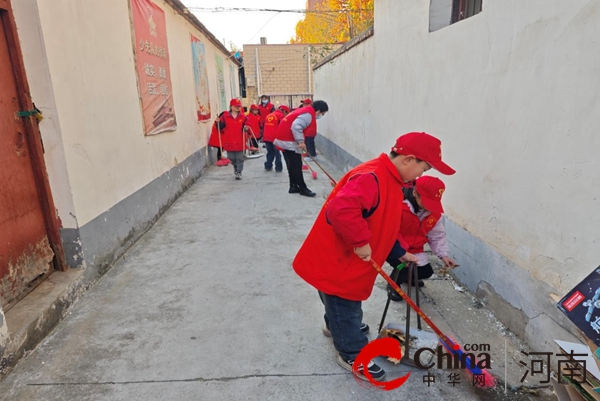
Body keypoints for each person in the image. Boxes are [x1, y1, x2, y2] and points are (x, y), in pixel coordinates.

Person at [292, 132, 456, 381]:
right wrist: (359, 241)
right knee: (346, 303)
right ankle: (350, 351)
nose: (422, 175)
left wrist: (401, 254)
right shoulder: (373, 177)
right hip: (341, 259)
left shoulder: (393, 181)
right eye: (423, 168)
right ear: (408, 160)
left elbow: (383, 224)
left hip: (343, 260)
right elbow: (341, 209)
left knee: (335, 300)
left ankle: (335, 327)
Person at [387, 176, 458, 301]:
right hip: (393, 247)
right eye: (427, 201)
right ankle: (393, 284)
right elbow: (391, 232)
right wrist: (402, 252)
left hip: (415, 249)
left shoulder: (433, 214)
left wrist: (443, 255)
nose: (429, 207)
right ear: (415, 193)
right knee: (406, 267)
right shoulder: (399, 206)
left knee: (426, 272)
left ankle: (407, 277)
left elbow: (437, 235)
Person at [274, 100, 329, 197]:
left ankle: (293, 186)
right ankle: (303, 189)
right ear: (319, 111)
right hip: (288, 139)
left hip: (283, 137)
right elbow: (296, 126)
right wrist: (300, 141)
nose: (321, 116)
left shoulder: (306, 111)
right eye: (322, 114)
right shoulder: (308, 115)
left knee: (292, 164)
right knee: (296, 164)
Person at [217, 98, 248, 180]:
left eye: (239, 106)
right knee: (231, 158)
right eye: (236, 106)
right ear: (231, 106)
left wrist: (247, 128)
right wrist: (218, 123)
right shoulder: (225, 116)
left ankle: (239, 171)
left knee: (240, 158)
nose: (238, 108)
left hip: (239, 140)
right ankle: (235, 166)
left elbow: (248, 125)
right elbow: (220, 127)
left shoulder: (243, 117)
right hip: (229, 140)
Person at [262, 105, 290, 172]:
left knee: (270, 152)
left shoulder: (269, 115)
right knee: (277, 153)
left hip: (266, 137)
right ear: (284, 111)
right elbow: (282, 127)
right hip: (275, 137)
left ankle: (268, 165)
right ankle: (278, 167)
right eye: (287, 113)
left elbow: (263, 125)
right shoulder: (280, 116)